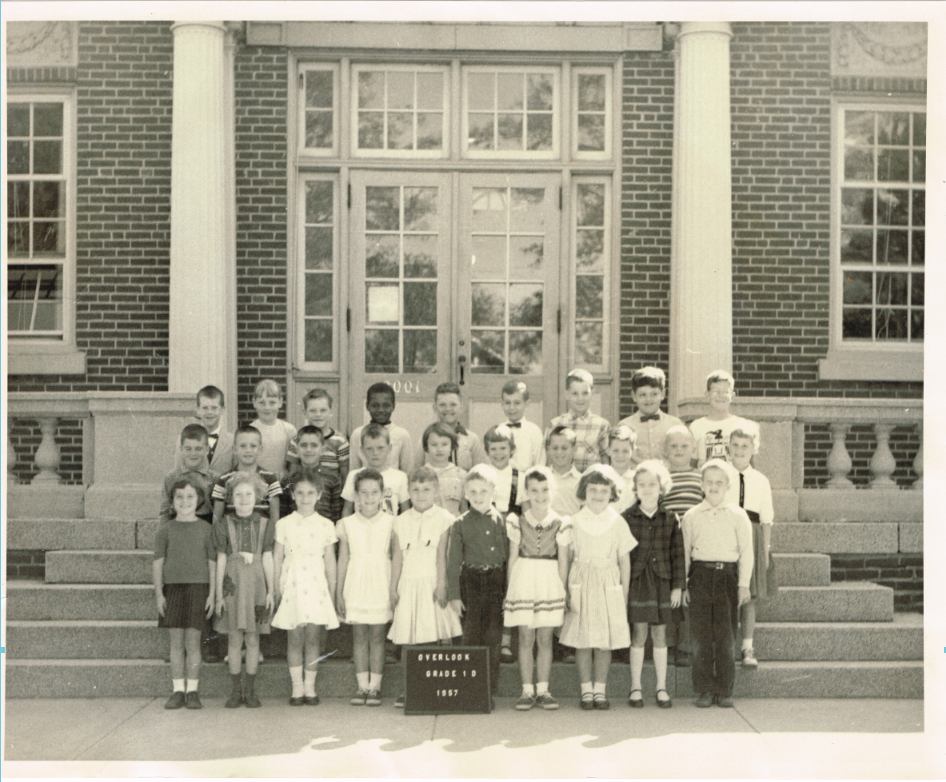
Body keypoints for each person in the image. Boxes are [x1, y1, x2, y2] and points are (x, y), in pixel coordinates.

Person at [560, 465, 635, 710]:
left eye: (604, 490)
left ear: (612, 493)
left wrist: (623, 593)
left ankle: (600, 690)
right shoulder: (574, 521)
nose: (598, 495)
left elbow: (624, 560)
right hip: (581, 580)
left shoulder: (618, 521)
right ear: (584, 491)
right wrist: (565, 589)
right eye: (593, 489)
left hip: (608, 583)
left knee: (604, 641)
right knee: (583, 639)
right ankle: (586, 690)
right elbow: (567, 558)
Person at [681, 459, 753, 708]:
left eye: (719, 483)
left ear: (727, 486)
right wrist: (683, 584)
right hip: (700, 576)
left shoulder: (737, 515)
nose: (714, 487)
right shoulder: (691, 516)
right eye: (709, 482)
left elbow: (747, 551)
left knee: (725, 636)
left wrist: (743, 584)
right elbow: (684, 551)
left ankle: (724, 690)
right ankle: (703, 689)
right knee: (700, 637)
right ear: (702, 485)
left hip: (727, 577)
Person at [389, 466, 462, 708]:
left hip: (432, 582)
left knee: (432, 636)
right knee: (408, 637)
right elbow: (397, 557)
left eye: (426, 489)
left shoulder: (445, 519)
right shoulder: (399, 521)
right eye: (416, 490)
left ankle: (431, 688)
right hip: (408, 584)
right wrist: (393, 586)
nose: (421, 494)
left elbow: (444, 556)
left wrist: (443, 585)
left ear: (436, 491)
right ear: (408, 491)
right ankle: (410, 687)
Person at [503, 466, 570, 711]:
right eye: (534, 490)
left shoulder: (561, 522)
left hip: (548, 578)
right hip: (524, 576)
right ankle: (526, 690)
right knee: (525, 637)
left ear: (552, 491)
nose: (540, 495)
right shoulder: (517, 521)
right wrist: (511, 588)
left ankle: (543, 689)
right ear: (526, 492)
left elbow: (563, 559)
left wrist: (562, 590)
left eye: (545, 490)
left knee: (544, 638)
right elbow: (512, 556)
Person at [272, 469, 339, 706]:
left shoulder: (326, 524)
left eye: (311, 493)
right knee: (294, 638)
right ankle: (296, 688)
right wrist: (276, 588)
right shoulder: (284, 524)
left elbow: (330, 560)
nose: (305, 497)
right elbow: (278, 557)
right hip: (292, 583)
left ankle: (310, 687)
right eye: (300, 493)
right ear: (292, 495)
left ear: (319, 495)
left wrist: (332, 590)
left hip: (316, 583)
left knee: (312, 638)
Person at [622, 460, 685, 709]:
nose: (647, 489)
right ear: (635, 488)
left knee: (660, 633)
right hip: (637, 581)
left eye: (652, 484)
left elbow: (678, 554)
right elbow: (622, 556)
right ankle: (635, 687)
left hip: (662, 581)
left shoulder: (670, 518)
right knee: (638, 633)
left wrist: (678, 586)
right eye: (642, 485)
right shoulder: (626, 517)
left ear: (662, 487)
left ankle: (661, 687)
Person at [153, 478, 216, 709]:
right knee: (176, 643)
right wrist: (159, 594)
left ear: (199, 500)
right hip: (173, 590)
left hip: (199, 588)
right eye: (179, 497)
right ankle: (178, 689)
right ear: (172, 501)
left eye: (190, 497)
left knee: (193, 643)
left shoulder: (207, 529)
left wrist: (213, 595)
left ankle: (193, 691)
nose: (185, 501)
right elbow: (158, 563)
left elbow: (212, 563)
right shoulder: (166, 530)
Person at [213, 474, 275, 708]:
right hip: (232, 586)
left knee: (252, 638)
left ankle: (250, 689)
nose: (243, 498)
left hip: (256, 586)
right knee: (234, 638)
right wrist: (219, 594)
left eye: (248, 494)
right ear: (231, 498)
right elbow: (220, 559)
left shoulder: (265, 524)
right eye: (238, 494)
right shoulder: (223, 524)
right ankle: (235, 690)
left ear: (257, 496)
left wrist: (271, 589)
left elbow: (268, 556)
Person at [447, 465, 508, 701]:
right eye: (473, 492)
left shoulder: (501, 521)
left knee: (493, 636)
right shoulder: (460, 523)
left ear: (493, 492)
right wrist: (454, 595)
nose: (478, 497)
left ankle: (488, 690)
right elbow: (453, 561)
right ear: (465, 494)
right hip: (470, 582)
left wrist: (506, 592)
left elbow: (506, 556)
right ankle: (467, 688)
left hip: (495, 581)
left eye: (483, 491)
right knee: (470, 635)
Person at [336, 468, 396, 707]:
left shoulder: (392, 523)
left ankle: (375, 688)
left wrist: (394, 588)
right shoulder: (346, 524)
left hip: (381, 580)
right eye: (363, 493)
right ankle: (362, 686)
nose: (369, 498)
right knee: (359, 636)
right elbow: (343, 559)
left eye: (374, 492)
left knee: (378, 637)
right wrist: (339, 591)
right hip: (356, 581)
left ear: (383, 495)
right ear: (356, 496)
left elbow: (395, 557)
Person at [725, 428, 777, 670]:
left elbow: (766, 519)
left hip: (753, 533)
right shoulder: (722, 474)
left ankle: (747, 647)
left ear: (753, 449)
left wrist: (765, 549)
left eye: (745, 446)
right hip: (726, 534)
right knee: (726, 594)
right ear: (728, 447)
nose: (739, 450)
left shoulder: (761, 480)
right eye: (735, 445)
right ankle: (724, 646)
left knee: (749, 596)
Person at [661, 425, 703, 668]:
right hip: (667, 543)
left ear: (693, 449)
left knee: (688, 594)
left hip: (693, 543)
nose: (679, 450)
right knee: (668, 594)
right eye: (674, 446)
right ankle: (665, 643)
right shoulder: (662, 477)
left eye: (684, 446)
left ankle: (685, 646)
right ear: (665, 450)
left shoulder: (699, 477)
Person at [688, 370, 761, 467]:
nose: (721, 396)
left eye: (725, 392)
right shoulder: (696, 427)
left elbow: (751, 464)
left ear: (732, 396)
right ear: (707, 394)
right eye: (716, 392)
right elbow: (692, 464)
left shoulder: (744, 426)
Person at [544, 369, 610, 473]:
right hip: (561, 482)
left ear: (592, 393)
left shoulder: (601, 425)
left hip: (590, 484)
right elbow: (548, 460)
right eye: (575, 394)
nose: (580, 398)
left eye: (585, 393)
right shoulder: (555, 424)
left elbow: (606, 461)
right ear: (567, 394)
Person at [617, 366, 684, 465]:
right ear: (634, 396)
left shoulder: (675, 424)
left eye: (654, 394)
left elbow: (682, 455)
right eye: (643, 395)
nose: (648, 399)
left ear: (663, 394)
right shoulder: (624, 426)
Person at [416, 382, 488, 471]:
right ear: (435, 408)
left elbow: (481, 472)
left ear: (461, 407)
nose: (448, 409)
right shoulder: (426, 438)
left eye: (453, 404)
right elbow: (417, 472)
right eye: (442, 405)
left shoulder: (472, 439)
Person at [342, 423, 409, 517]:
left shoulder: (400, 477)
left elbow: (405, 511)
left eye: (380, 448)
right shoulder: (353, 475)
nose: (375, 453)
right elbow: (347, 509)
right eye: (369, 449)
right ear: (362, 450)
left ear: (389, 448)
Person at [350, 382, 414, 473]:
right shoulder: (358, 434)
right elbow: (354, 470)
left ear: (393, 406)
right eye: (375, 405)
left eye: (386, 405)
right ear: (367, 406)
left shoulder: (402, 435)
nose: (380, 410)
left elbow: (408, 473)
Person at [282, 425, 342, 522]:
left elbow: (337, 514)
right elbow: (283, 515)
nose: (308, 449)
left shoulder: (333, 478)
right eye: (304, 445)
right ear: (297, 449)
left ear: (322, 449)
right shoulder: (288, 480)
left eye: (314, 445)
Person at [160, 423, 214, 524]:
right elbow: (165, 513)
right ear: (181, 449)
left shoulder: (215, 479)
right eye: (188, 449)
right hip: (178, 530)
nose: (193, 454)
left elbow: (218, 514)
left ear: (207, 450)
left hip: (206, 531)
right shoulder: (171, 478)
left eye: (198, 449)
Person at [294, 388, 350, 485]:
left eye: (323, 410)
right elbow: (293, 473)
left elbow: (344, 476)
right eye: (313, 411)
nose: (318, 415)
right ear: (305, 413)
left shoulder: (340, 442)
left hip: (331, 493)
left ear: (330, 412)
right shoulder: (297, 440)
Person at [250, 379, 297, 479]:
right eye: (262, 403)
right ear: (254, 403)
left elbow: (293, 463)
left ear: (280, 402)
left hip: (281, 482)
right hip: (256, 481)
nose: (267, 407)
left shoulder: (289, 430)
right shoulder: (250, 430)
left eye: (272, 403)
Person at [420, 422, 467, 515]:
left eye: (444, 444)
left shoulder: (461, 475)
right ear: (426, 447)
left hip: (453, 526)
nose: (439, 449)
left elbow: (464, 509)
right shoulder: (420, 475)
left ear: (452, 447)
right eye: (434, 444)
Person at [499, 380, 545, 471]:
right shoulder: (498, 431)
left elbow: (540, 463)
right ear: (502, 404)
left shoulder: (534, 432)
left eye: (517, 403)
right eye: (507, 403)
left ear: (527, 403)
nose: (512, 408)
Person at [195, 385, 234, 475]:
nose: (209, 412)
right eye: (205, 408)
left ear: (222, 410)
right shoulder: (185, 439)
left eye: (214, 408)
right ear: (198, 410)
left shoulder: (232, 442)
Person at [545, 425, 582, 517]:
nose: (559, 452)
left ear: (574, 449)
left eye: (564, 448)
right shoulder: (542, 477)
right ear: (548, 449)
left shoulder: (581, 481)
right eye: (555, 448)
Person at [607, 426, 638, 514]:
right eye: (615, 451)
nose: (620, 455)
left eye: (625, 451)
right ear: (608, 450)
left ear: (633, 451)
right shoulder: (602, 477)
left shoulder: (637, 479)